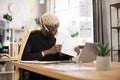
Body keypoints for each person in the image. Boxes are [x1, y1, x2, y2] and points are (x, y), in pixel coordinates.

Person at [21, 12, 80, 80]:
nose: (56, 32)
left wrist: (69, 54)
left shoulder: (54, 39)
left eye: (57, 28)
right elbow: (24, 57)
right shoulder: (32, 37)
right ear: (45, 28)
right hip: (38, 75)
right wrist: (48, 51)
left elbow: (56, 60)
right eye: (53, 30)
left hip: (52, 73)